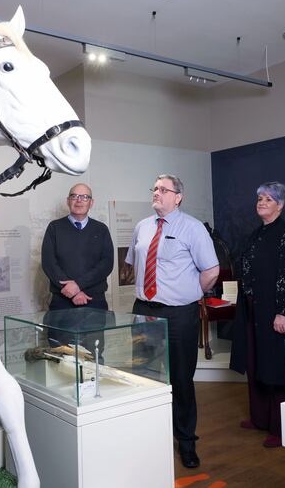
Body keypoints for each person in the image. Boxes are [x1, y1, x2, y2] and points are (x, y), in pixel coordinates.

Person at [125, 174, 219, 469]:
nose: (157, 193)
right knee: (143, 376)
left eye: (163, 189)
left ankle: (186, 442)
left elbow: (211, 271)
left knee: (180, 379)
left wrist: (188, 293)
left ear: (178, 197)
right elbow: (132, 264)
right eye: (154, 188)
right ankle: (146, 436)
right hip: (143, 309)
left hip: (179, 314)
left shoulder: (193, 228)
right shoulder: (142, 227)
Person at [229, 182, 285, 448]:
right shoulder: (256, 234)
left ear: (280, 205)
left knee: (275, 368)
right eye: (259, 198)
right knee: (256, 363)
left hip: (275, 312)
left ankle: (280, 428)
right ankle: (259, 418)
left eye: (268, 199)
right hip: (252, 309)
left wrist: (282, 312)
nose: (261, 202)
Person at [41, 183, 114, 351]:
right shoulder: (54, 228)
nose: (79, 200)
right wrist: (71, 290)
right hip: (62, 303)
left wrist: (78, 285)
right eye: (74, 196)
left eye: (84, 197)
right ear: (68, 201)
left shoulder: (101, 229)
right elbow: (49, 263)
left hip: (94, 303)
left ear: (91, 202)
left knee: (93, 356)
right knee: (60, 356)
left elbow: (106, 264)